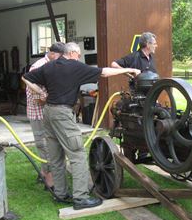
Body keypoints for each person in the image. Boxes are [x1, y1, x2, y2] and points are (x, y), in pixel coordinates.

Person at [23, 42, 140, 210]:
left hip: (48, 112)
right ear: (72, 53)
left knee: (55, 156)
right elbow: (104, 72)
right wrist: (128, 70)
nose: (79, 58)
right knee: (77, 154)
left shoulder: (49, 66)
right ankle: (81, 198)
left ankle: (61, 193)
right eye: (78, 55)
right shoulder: (75, 66)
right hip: (62, 114)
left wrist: (41, 93)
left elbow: (26, 77)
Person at [26, 42, 65, 190]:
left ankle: (44, 172)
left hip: (50, 110)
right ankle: (49, 179)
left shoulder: (54, 65)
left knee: (53, 143)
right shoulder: (38, 66)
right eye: (60, 57)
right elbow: (35, 95)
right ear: (53, 54)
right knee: (44, 144)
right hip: (38, 112)